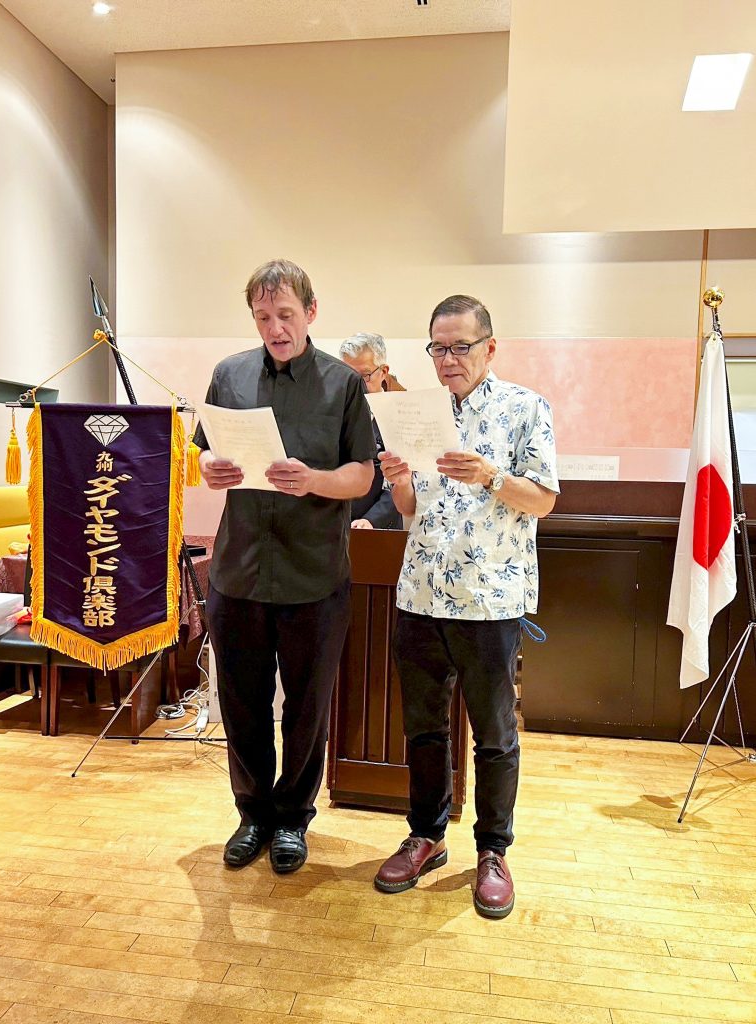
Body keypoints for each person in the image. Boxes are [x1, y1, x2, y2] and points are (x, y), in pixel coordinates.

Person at [373, 294, 558, 918]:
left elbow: (544, 500)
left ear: (489, 347)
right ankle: (426, 835)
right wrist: (399, 477)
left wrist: (490, 475)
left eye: (460, 346)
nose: (448, 359)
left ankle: (493, 852)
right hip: (420, 593)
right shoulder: (416, 413)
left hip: (490, 599)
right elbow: (409, 508)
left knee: (495, 735)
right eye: (438, 348)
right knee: (423, 728)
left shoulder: (526, 408)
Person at [195, 259, 376, 874]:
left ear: (311, 312)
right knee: (242, 704)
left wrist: (314, 480)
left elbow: (363, 474)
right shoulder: (229, 375)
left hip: (314, 573)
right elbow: (203, 454)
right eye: (263, 316)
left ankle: (293, 817)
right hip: (238, 569)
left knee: (305, 708)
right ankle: (252, 814)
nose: (275, 328)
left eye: (286, 315)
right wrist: (210, 469)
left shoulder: (342, 383)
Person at [339, 333, 403, 530]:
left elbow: (404, 483)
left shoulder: (401, 417)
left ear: (383, 372)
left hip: (381, 527)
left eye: (364, 376)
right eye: (349, 377)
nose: (356, 385)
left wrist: (371, 520)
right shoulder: (336, 414)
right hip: (339, 527)